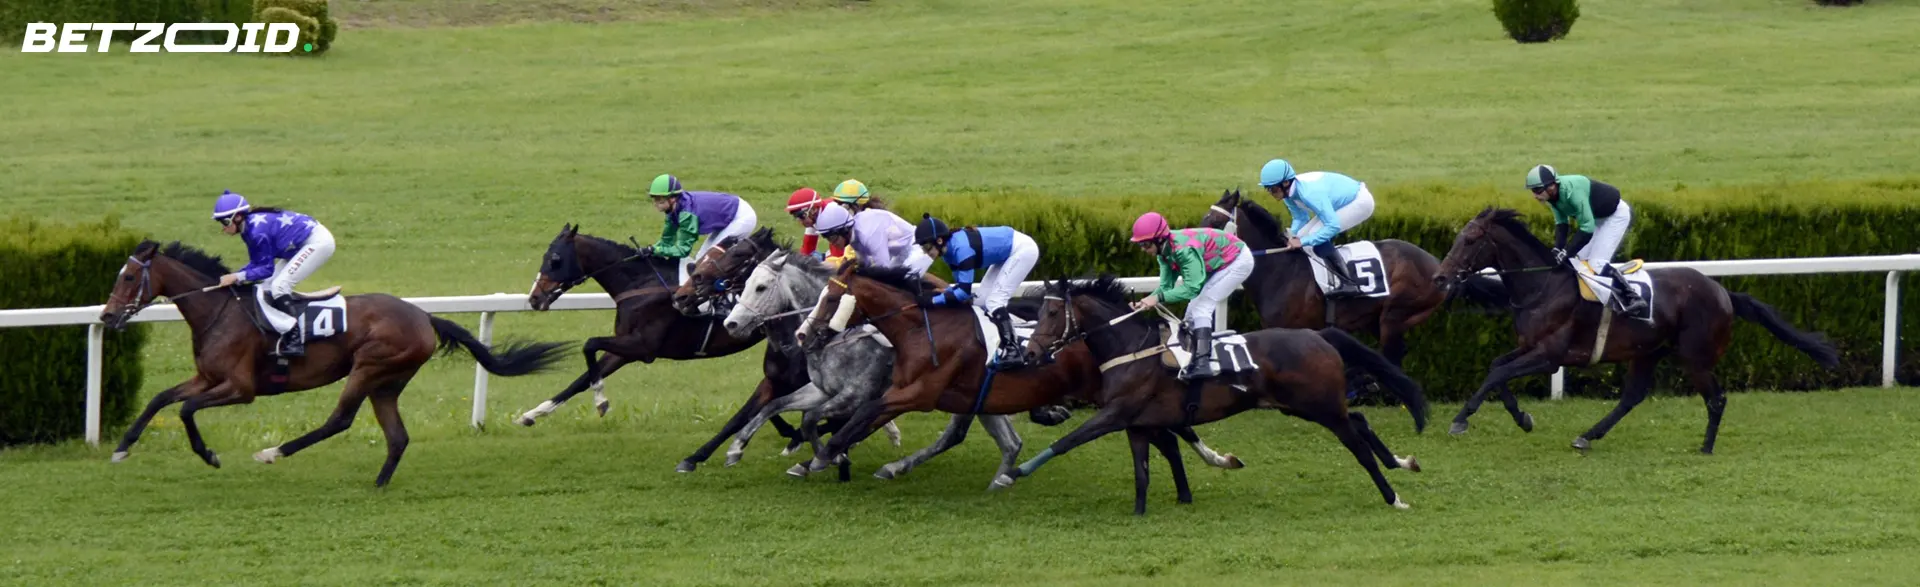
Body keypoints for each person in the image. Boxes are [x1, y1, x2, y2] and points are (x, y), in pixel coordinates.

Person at [1128, 212, 1254, 380]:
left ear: (1159, 239)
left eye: (1146, 245)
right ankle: (1192, 359)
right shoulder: (1163, 254)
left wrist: (1157, 299)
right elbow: (1166, 287)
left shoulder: (1183, 250)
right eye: (1141, 246)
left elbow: (1192, 288)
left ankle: (1203, 364)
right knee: (1189, 316)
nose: (1144, 250)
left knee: (1202, 307)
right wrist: (1145, 302)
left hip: (1237, 260)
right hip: (1218, 263)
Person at [210, 190, 335, 358]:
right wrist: (236, 276)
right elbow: (258, 264)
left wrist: (237, 277)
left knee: (280, 286)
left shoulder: (256, 231)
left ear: (238, 217)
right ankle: (280, 331)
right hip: (300, 245)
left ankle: (295, 337)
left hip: (317, 243)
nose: (223, 227)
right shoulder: (249, 228)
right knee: (266, 287)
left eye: (224, 221)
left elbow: (266, 270)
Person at [914, 214, 1040, 368]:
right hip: (1006, 255)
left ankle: (1013, 351)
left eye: (927, 248)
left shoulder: (961, 248)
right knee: (981, 302)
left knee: (994, 301)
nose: (926, 253)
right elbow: (961, 290)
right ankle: (995, 344)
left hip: (1022, 250)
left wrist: (933, 301)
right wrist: (938, 296)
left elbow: (964, 292)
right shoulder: (948, 254)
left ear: (939, 241)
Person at [1526, 164, 1647, 315]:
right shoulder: (1553, 198)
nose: (1535, 196)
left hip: (1615, 216)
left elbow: (1587, 229)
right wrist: (1558, 249)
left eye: (1537, 190)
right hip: (1596, 218)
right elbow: (1562, 224)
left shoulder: (1571, 192)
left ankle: (1633, 297)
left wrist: (1567, 251)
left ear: (1551, 186)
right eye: (1533, 191)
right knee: (1578, 261)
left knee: (1596, 263)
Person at [1259, 158, 1375, 296]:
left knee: (1313, 234)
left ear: (1285, 183)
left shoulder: (1309, 194)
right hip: (1339, 203)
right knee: (1302, 235)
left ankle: (1348, 283)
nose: (1272, 193)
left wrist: (1302, 241)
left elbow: (1332, 226)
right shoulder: (1288, 194)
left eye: (1273, 189)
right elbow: (1300, 218)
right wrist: (1293, 235)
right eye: (1268, 189)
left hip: (1360, 201)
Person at [639, 174, 758, 287]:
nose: (655, 203)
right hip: (729, 215)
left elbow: (682, 250)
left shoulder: (687, 214)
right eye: (654, 198)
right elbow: (666, 242)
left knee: (710, 261)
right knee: (699, 261)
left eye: (660, 199)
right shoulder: (673, 210)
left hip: (741, 217)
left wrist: (656, 250)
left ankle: (731, 289)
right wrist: (650, 250)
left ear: (673, 198)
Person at [812, 203, 933, 276]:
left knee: (901, 283)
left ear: (843, 230)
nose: (832, 243)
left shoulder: (867, 234)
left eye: (832, 238)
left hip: (919, 247)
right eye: (827, 239)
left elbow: (883, 270)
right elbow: (865, 265)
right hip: (900, 252)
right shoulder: (853, 236)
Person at [785, 188, 851, 266]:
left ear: (813, 209)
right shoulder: (815, 216)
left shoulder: (828, 217)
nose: (800, 221)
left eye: (801, 216)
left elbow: (838, 255)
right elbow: (807, 248)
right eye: (796, 217)